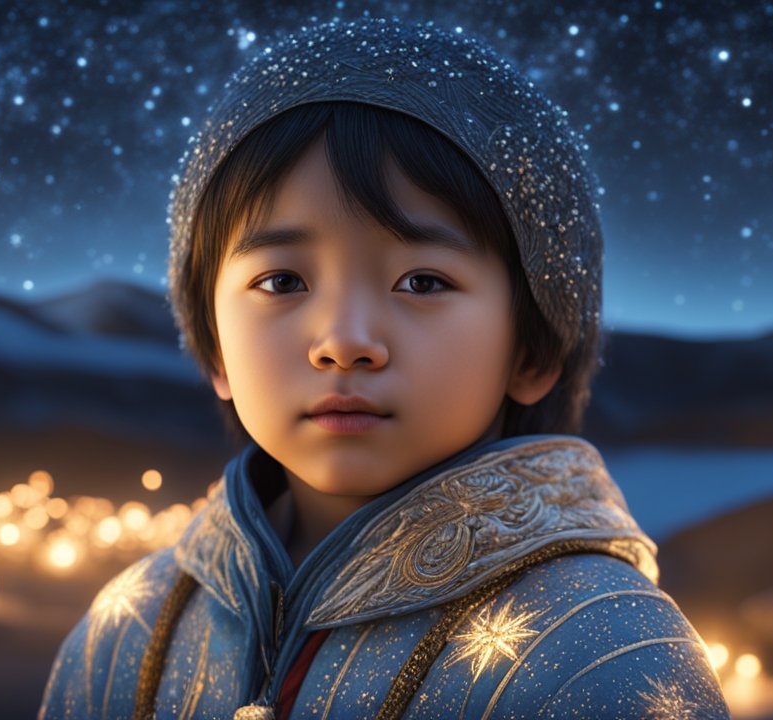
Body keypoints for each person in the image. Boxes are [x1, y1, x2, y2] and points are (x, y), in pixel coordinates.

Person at [41, 17, 729, 720]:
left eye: (422, 282)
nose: (344, 341)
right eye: (282, 282)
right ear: (214, 347)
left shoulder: (607, 659)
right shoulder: (129, 630)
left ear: (533, 349)